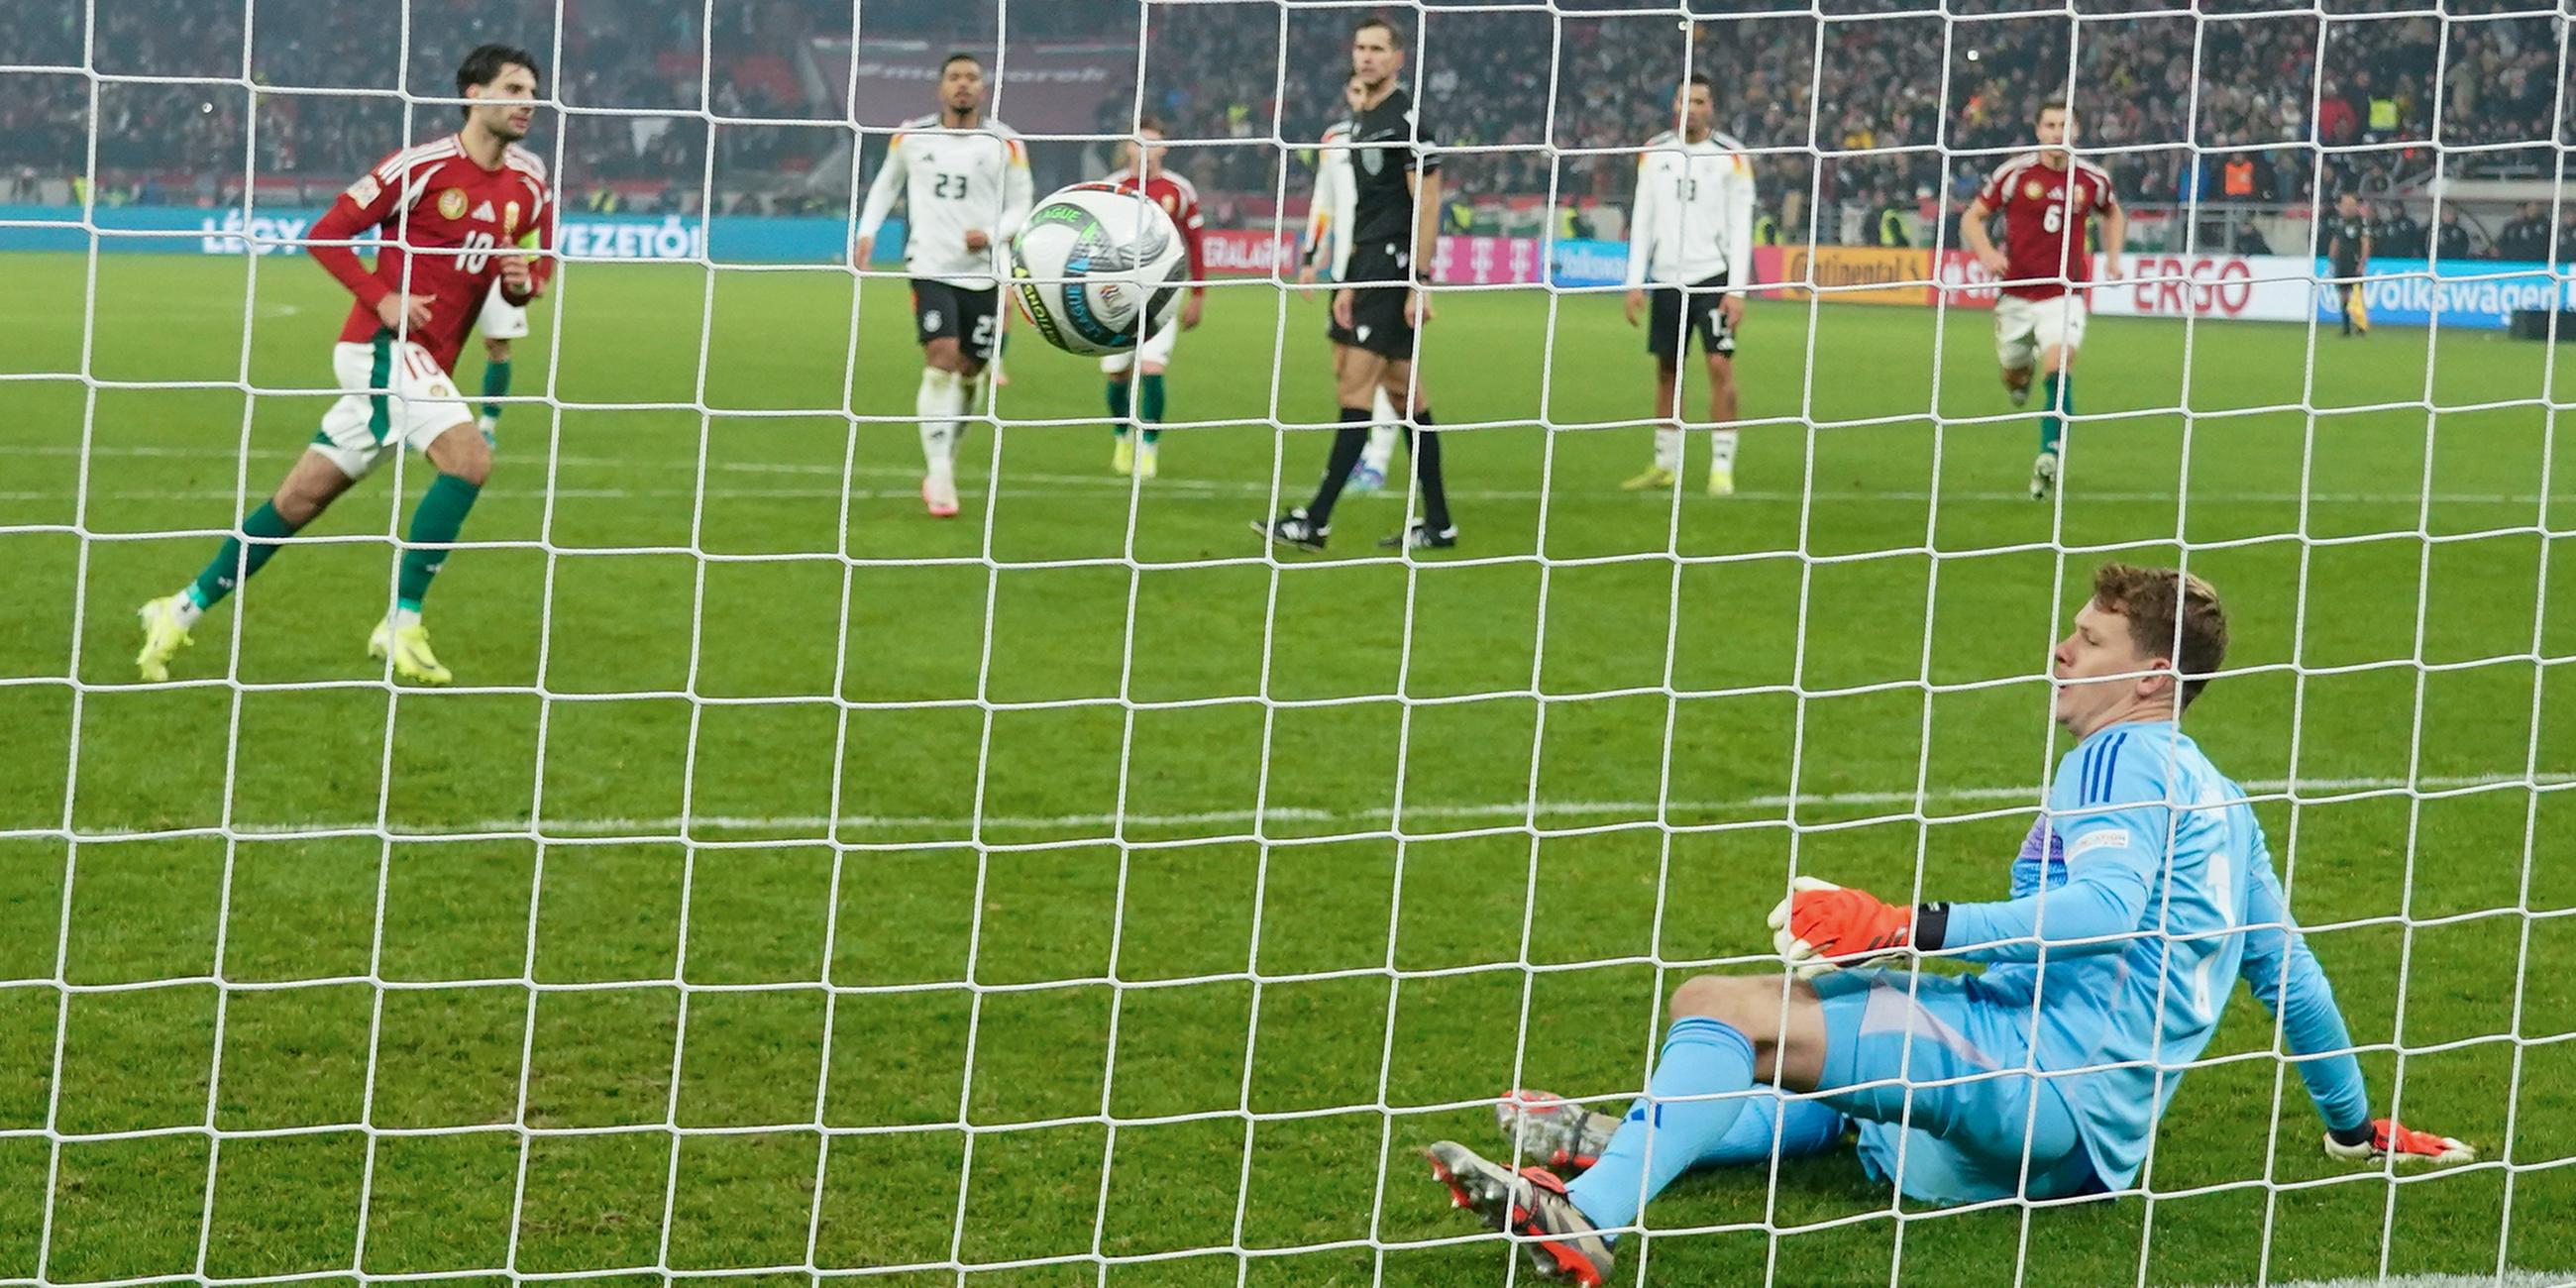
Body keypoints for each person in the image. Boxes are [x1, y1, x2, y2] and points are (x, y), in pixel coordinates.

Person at [1422, 563, 2477, 1287]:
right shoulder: (2225, 804)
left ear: (2150, 676)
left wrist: (1907, 923)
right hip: (2088, 1142)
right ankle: (1622, 1137)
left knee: (1719, 1007)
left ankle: (1590, 1212)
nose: (2060, 649)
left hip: (2034, 1081)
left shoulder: (2118, 754)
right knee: (1831, 1048)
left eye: (2087, 637)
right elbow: (2287, 975)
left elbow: (2102, 913)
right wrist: (2352, 1126)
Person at [135, 44, 555, 686]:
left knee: (299, 498)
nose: (529, 103)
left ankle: (178, 610)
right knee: (470, 459)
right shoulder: (423, 166)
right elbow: (326, 231)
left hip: (426, 363)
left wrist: (522, 282)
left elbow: (532, 276)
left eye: (533, 92)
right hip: (378, 349)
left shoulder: (528, 181)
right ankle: (402, 622)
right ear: (473, 93)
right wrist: (381, 297)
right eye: (515, 89)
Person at [1254, 15, 1453, 553]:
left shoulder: (1408, 120)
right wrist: (1347, 280)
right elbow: (1368, 209)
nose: (1366, 57)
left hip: (1391, 271)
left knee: (1354, 393)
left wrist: (1420, 280)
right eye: (1361, 48)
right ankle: (1439, 523)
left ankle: (1315, 521)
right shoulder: (1364, 117)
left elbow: (1427, 202)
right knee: (1406, 396)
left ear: (1398, 58)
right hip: (1365, 269)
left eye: (1377, 49)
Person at [854, 53, 1034, 518]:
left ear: (983, 88)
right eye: (954, 77)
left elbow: (1022, 205)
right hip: (930, 264)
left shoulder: (1006, 143)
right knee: (940, 361)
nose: (963, 85)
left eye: (972, 78)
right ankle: (939, 473)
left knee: (971, 372)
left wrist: (993, 234)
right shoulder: (912, 136)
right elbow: (885, 185)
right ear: (940, 88)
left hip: (985, 271)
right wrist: (866, 231)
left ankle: (944, 457)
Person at [1959, 98, 2124, 502]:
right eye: (2050, 125)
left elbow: (2113, 214)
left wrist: (2114, 258)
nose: (2057, 132)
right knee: (2014, 376)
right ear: (2038, 131)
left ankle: (2049, 454)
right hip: (2015, 293)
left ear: (2077, 131)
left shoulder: (2091, 179)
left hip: (2063, 292)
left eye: (2064, 125)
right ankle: (2020, 383)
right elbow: (1971, 217)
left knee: (2060, 361)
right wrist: (1986, 253)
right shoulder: (2014, 174)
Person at [1619, 72, 1755, 497]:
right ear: (1674, 104)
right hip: (1665, 277)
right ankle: (1665, 464)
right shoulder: (1653, 152)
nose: (1691, 108)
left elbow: (1741, 225)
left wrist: (1737, 289)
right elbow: (1642, 218)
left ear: (1711, 108)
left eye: (1700, 101)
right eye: (1685, 100)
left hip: (1712, 276)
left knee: (1719, 367)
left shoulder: (1731, 155)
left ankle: (1721, 467)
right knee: (1667, 370)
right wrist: (1634, 281)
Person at [1299, 73, 1404, 494]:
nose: (1363, 99)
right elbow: (1322, 202)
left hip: (1380, 272)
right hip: (1344, 274)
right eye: (1356, 91)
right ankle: (1360, 452)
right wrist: (1311, 257)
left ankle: (1375, 461)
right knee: (1346, 370)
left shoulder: (1394, 137)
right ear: (1348, 94)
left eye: (1369, 92)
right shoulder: (1334, 140)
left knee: (1377, 371)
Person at [1099, 115, 1206, 481]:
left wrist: (1198, 295)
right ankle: (1121, 437)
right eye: (1137, 142)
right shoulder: (1110, 188)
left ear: (1164, 148)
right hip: (1115, 297)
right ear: (1127, 147)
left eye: (1152, 142)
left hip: (1163, 294)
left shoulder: (1179, 189)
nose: (1144, 150)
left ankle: (1150, 447)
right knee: (1117, 375)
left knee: (1152, 368)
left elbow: (1196, 243)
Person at [2322, 192, 2372, 339]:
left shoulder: (2361, 223)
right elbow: (2336, 241)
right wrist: (2331, 258)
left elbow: (2365, 243)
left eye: (2350, 205)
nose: (2347, 208)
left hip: (2354, 263)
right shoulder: (2340, 222)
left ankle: (2360, 326)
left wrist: (2362, 262)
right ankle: (2346, 327)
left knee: (2356, 295)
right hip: (2341, 263)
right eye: (2345, 205)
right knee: (2343, 296)